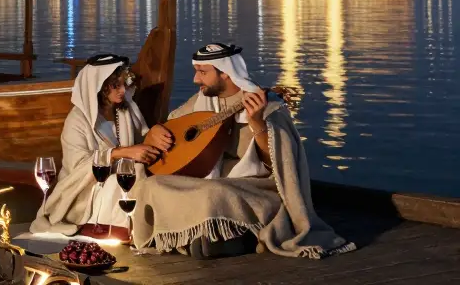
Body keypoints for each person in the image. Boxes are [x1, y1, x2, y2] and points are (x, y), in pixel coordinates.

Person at [131, 43, 355, 260]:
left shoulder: (269, 107)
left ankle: (224, 236)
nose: (195, 79)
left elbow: (277, 166)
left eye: (202, 72)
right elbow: (171, 127)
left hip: (253, 188)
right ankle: (209, 237)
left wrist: (257, 124)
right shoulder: (201, 102)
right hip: (207, 184)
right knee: (151, 185)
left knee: (213, 193)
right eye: (195, 71)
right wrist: (154, 133)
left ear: (226, 73)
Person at [28, 53, 167, 241]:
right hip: (84, 188)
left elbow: (143, 135)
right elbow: (78, 168)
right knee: (118, 181)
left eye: (123, 83)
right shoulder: (78, 121)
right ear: (99, 87)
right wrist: (120, 153)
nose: (122, 90)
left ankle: (151, 227)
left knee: (143, 174)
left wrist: (156, 130)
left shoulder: (125, 111)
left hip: (127, 174)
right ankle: (119, 229)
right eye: (115, 85)